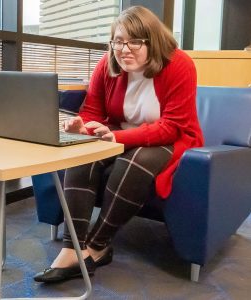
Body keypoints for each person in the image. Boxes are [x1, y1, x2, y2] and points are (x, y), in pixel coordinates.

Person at [34, 5, 204, 283]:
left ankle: (97, 246)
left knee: (137, 160)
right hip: (119, 133)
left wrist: (118, 137)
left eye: (135, 42)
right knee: (83, 153)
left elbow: (173, 126)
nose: (125, 50)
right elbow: (91, 111)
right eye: (118, 42)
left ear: (154, 41)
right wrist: (83, 126)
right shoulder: (108, 63)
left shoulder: (180, 65)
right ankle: (72, 248)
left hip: (168, 137)